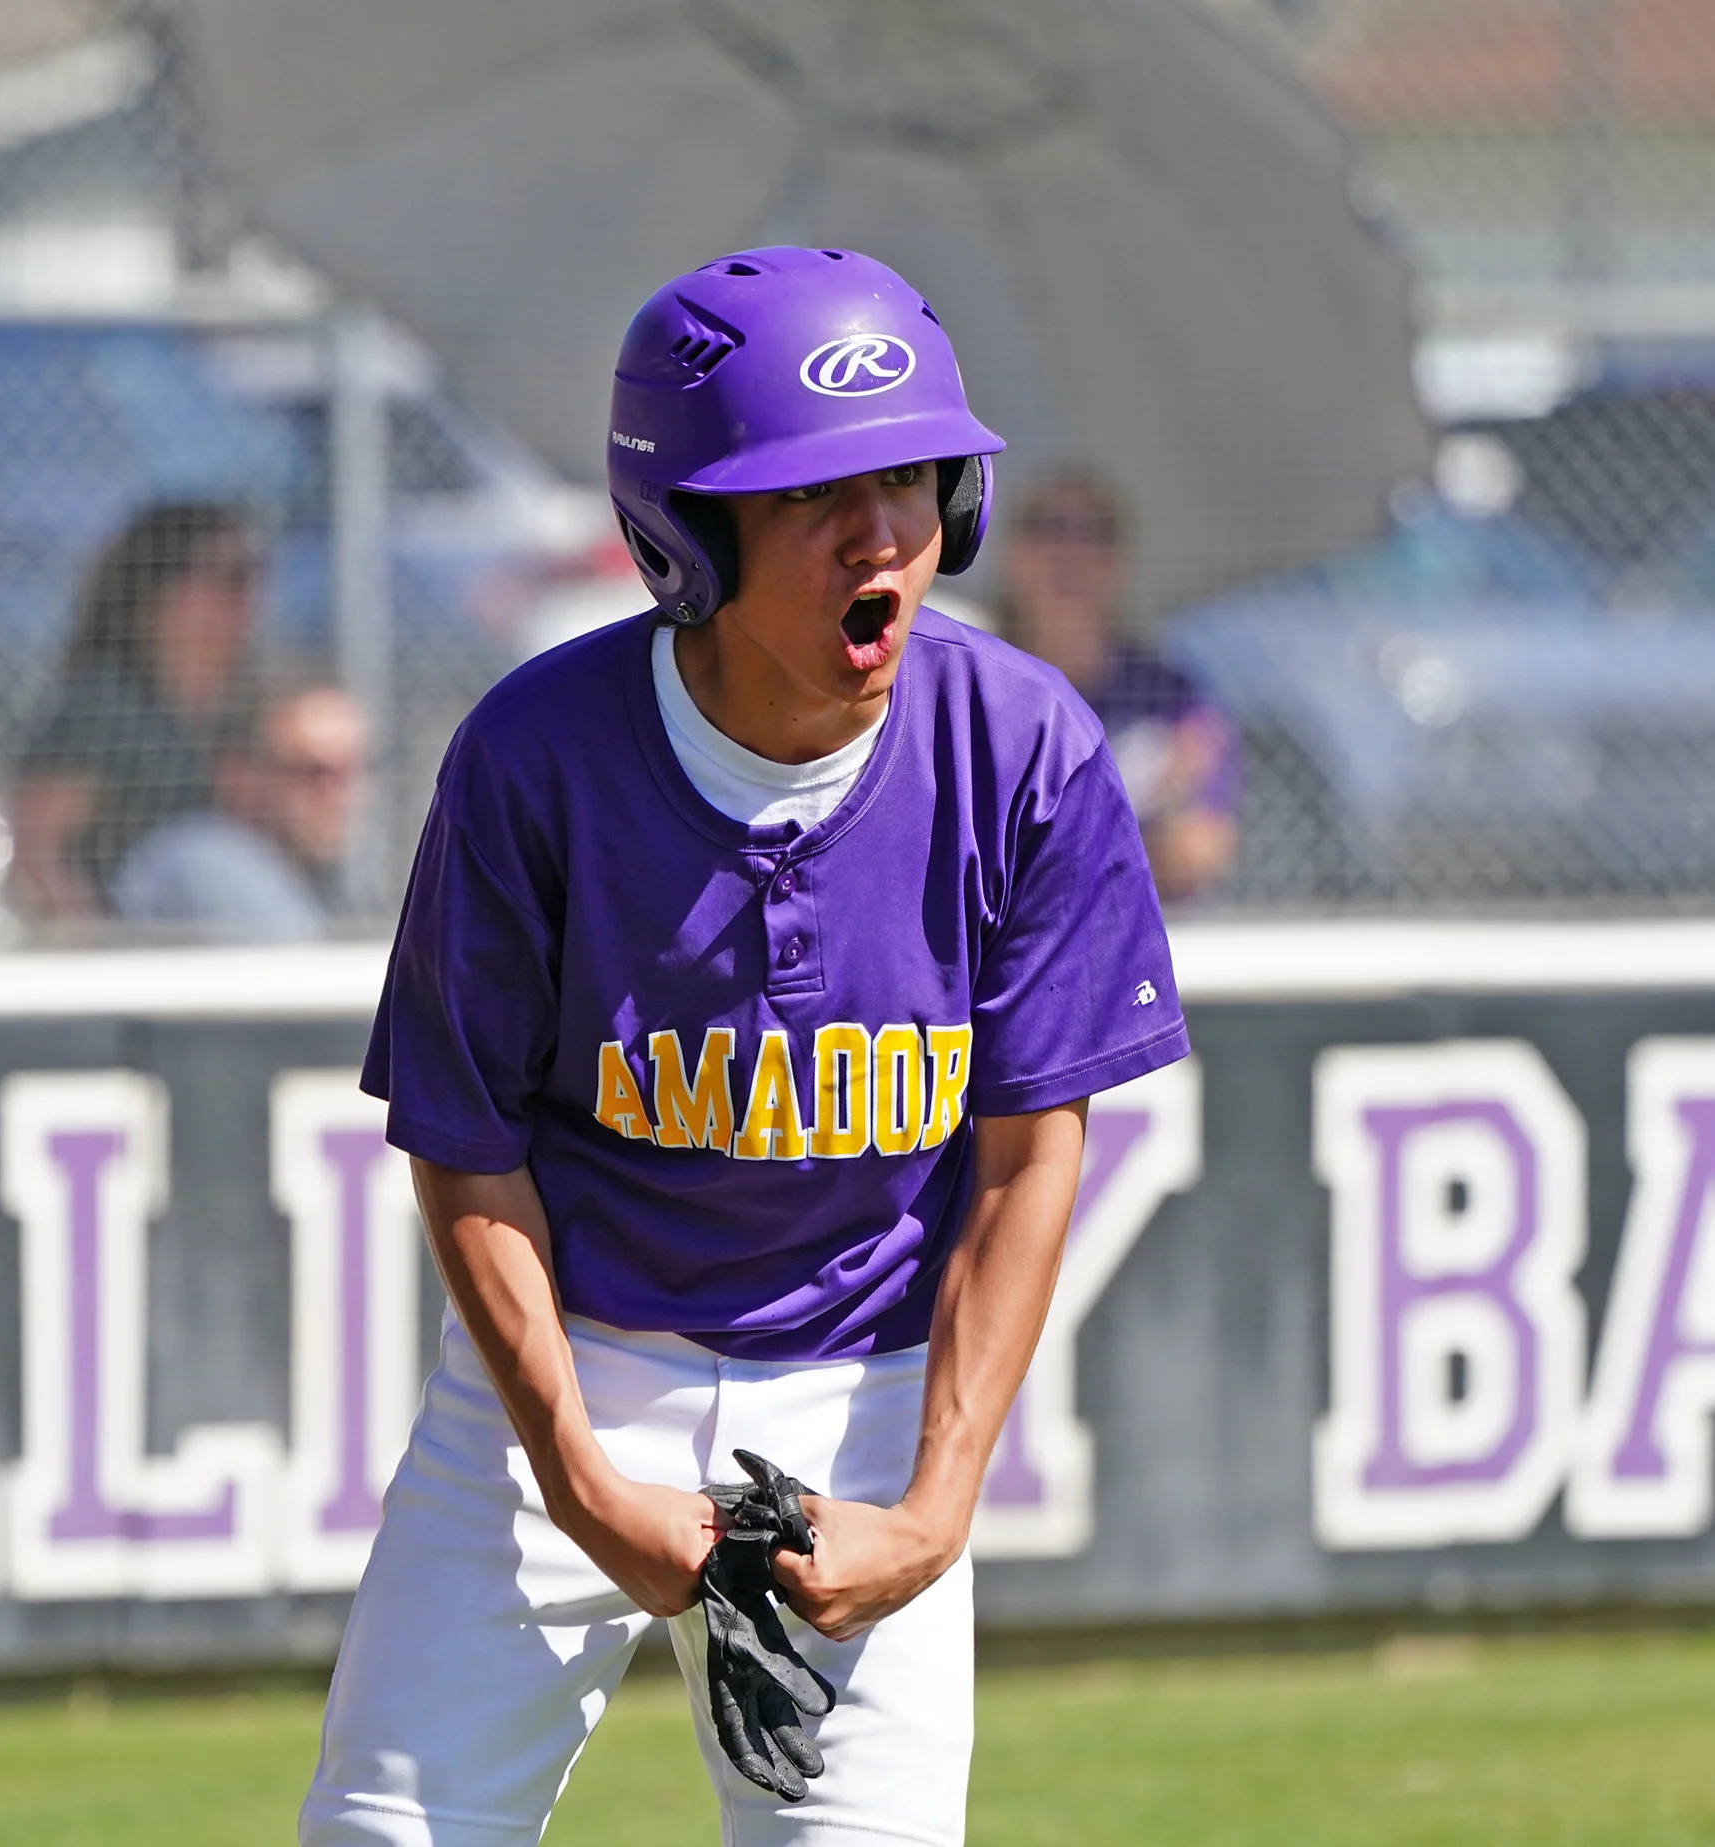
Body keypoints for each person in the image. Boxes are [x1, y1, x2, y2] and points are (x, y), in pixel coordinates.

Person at [302, 248, 1189, 1844]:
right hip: (571, 1372)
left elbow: (1028, 1148)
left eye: (913, 476)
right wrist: (575, 1469)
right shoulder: (538, 755)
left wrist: (930, 1509)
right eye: (814, 495)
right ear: (686, 541)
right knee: (385, 1830)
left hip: (866, 1383)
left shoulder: (1021, 744)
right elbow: (466, 1137)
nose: (885, 534)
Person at [7, 500, 263, 919]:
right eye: (228, 577)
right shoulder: (105, 708)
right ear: (159, 592)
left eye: (253, 576)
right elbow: (36, 852)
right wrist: (100, 948)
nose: (247, 597)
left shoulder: (250, 710)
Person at [996, 467, 1240, 900]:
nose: (1070, 551)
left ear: (1120, 561)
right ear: (1011, 555)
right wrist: (1135, 814)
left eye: (1094, 532)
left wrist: (1177, 801)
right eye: (1048, 528)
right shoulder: (973, 687)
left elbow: (1199, 853)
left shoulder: (1168, 698)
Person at [110, 680, 368, 939]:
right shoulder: (206, 860)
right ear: (239, 776)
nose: (343, 797)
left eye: (352, 772)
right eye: (315, 773)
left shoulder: (317, 878)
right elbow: (297, 970)